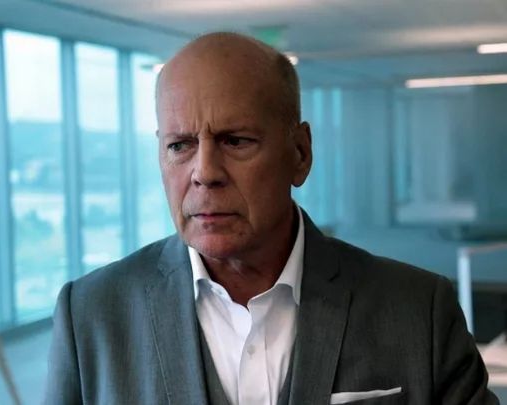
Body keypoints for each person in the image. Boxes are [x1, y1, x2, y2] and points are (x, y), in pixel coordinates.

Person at [44, 32, 498, 404]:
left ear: (299, 153)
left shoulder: (417, 311)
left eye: (235, 141)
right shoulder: (92, 315)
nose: (204, 172)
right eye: (180, 145)